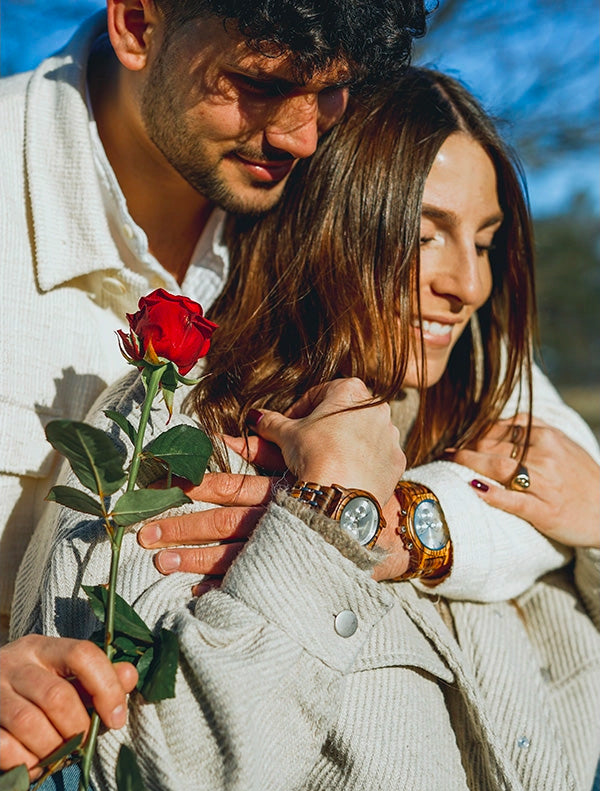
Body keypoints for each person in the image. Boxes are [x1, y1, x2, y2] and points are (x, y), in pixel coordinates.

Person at [10, 69, 600, 791]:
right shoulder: (169, 441)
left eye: (484, 243)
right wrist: (328, 519)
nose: (469, 285)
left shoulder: (490, 432)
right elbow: (157, 772)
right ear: (330, 224)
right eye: (426, 236)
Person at [0, 0, 427, 641]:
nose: (301, 138)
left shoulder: (328, 197)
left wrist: (417, 528)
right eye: (261, 85)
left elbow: (532, 434)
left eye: (334, 89)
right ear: (138, 26)